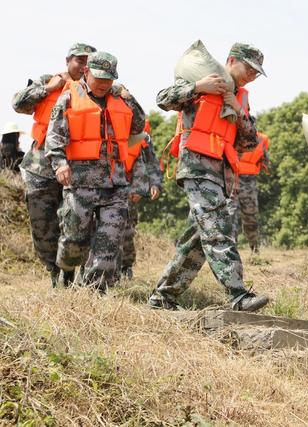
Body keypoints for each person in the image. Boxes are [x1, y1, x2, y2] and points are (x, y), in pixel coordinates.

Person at [148, 43, 269, 312]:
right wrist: (197, 87)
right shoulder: (203, 78)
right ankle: (238, 295)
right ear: (231, 60)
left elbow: (250, 143)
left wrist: (238, 111)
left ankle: (162, 297)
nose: (252, 75)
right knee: (218, 229)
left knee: (197, 240)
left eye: (257, 72)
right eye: (249, 68)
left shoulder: (241, 98)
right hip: (196, 166)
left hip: (222, 174)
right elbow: (162, 98)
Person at [45, 51, 146, 291]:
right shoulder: (69, 97)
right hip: (80, 181)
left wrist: (130, 98)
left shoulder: (120, 98)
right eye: (99, 78)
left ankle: (92, 291)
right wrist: (60, 163)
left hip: (115, 182)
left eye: (109, 79)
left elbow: (139, 125)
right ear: (86, 71)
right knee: (74, 239)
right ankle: (67, 271)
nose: (104, 84)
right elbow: (54, 136)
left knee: (109, 240)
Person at [12, 42, 96, 287]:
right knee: (42, 225)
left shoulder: (95, 90)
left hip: (76, 166)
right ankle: (53, 271)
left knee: (72, 223)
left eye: (89, 62)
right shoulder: (49, 80)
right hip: (40, 166)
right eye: (80, 60)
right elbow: (19, 104)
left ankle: (68, 272)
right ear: (68, 60)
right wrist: (48, 89)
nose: (84, 66)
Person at [120, 119, 163, 279]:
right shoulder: (102, 119)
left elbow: (151, 161)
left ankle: (125, 267)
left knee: (127, 229)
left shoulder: (141, 130)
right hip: (103, 184)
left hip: (130, 188)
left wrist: (154, 184)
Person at [228, 131, 269, 253]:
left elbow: (264, 161)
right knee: (230, 214)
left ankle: (255, 249)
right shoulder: (232, 133)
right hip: (231, 177)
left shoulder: (263, 139)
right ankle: (231, 250)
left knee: (250, 216)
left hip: (249, 180)